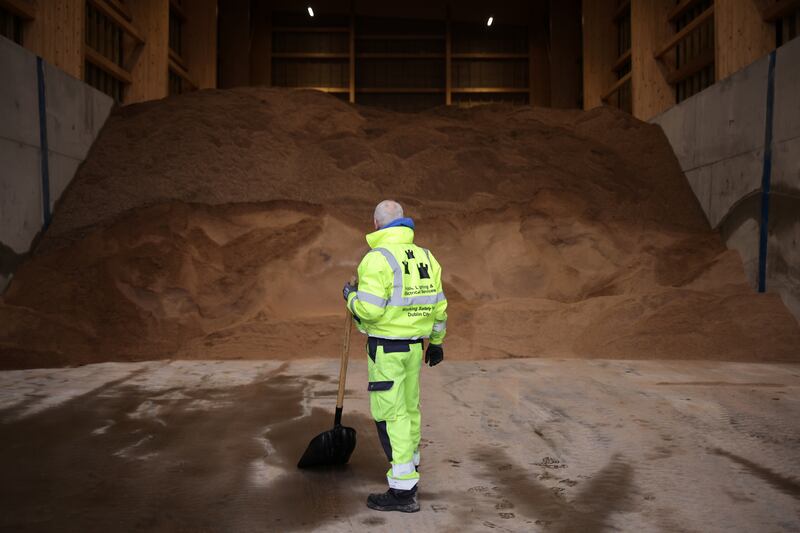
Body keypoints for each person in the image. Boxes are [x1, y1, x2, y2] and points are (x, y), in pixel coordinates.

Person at [343, 199, 448, 513]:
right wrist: (437, 342)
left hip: (387, 350)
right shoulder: (428, 257)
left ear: (376, 225)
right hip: (416, 348)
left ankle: (403, 491)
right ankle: (411, 467)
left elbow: (370, 311)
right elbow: (440, 307)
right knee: (410, 409)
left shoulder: (376, 260)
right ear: (404, 223)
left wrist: (351, 300)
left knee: (391, 417)